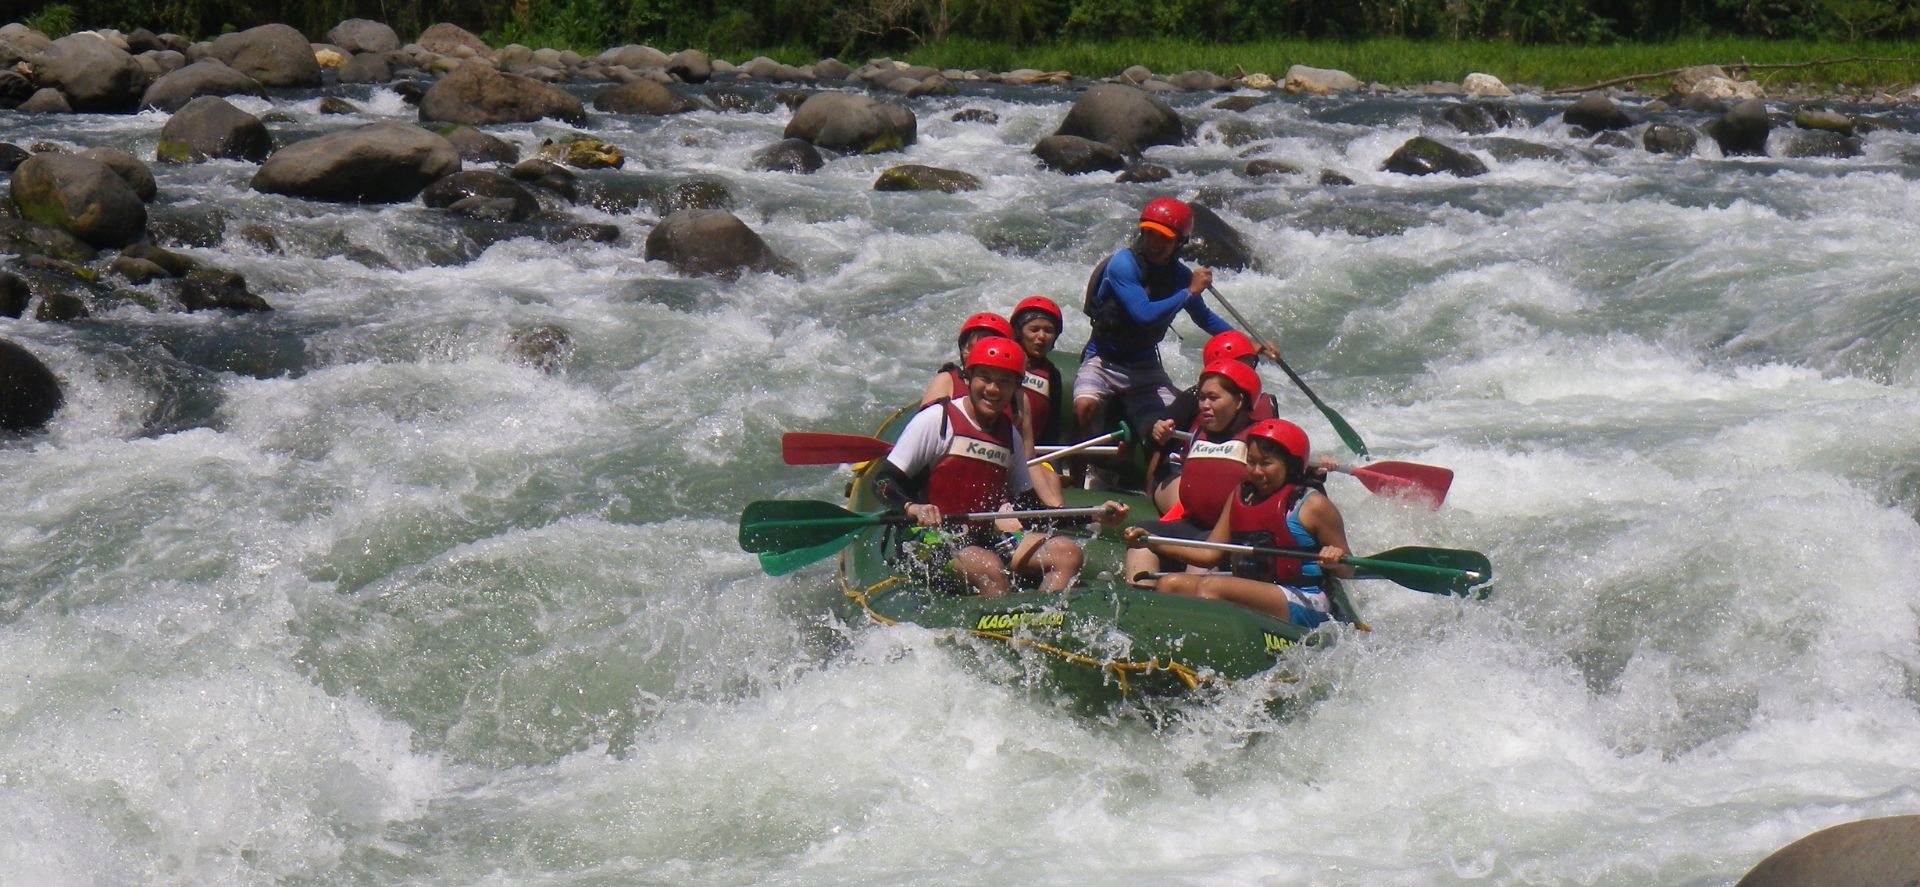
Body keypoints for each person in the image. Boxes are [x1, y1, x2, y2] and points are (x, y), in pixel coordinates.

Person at [876, 336, 1129, 596]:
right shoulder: (936, 421)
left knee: (1067, 554)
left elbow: (1032, 511)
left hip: (982, 537)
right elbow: (883, 482)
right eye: (985, 378)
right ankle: (995, 628)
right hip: (929, 538)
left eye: (1005, 382)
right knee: (989, 567)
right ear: (968, 379)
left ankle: (1042, 619)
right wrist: (912, 506)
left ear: (1016, 389)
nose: (993, 390)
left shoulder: (1010, 437)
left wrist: (1094, 513)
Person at [1074, 197, 1276, 440]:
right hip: (1103, 359)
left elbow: (1205, 318)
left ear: (1179, 242)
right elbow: (1144, 315)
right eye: (1150, 234)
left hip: (1144, 365)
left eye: (1164, 238)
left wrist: (1248, 343)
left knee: (1174, 424)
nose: (1154, 243)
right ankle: (1080, 471)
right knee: (1085, 405)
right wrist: (1189, 291)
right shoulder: (1124, 264)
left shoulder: (1180, 276)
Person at [1124, 419, 1351, 627]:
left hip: (1305, 598)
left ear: (1290, 465)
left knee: (1212, 588)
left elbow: (1348, 569)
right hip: (1255, 588)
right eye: (1251, 462)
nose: (1256, 471)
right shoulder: (1241, 496)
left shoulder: (1313, 506)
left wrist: (1334, 558)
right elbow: (1209, 554)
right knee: (1170, 584)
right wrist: (1152, 542)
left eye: (1266, 463)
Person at [1124, 359, 1263, 584]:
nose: (1204, 405)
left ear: (1238, 401)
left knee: (1194, 573)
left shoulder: (1258, 441)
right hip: (1192, 526)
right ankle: (1140, 601)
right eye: (1202, 398)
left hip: (1229, 538)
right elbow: (1156, 444)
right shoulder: (1199, 432)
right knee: (1142, 536)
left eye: (1214, 398)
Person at [1010, 295, 1068, 508]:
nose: (1041, 337)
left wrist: (1056, 467)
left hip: (1034, 453)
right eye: (1034, 329)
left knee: (1051, 478)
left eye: (1048, 331)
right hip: (1006, 447)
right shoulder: (1000, 366)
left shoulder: (1052, 374)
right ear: (1019, 332)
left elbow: (1052, 428)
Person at [921, 312, 1014, 407]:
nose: (974, 356)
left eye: (984, 350)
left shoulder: (1014, 390)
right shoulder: (946, 381)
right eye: (970, 348)